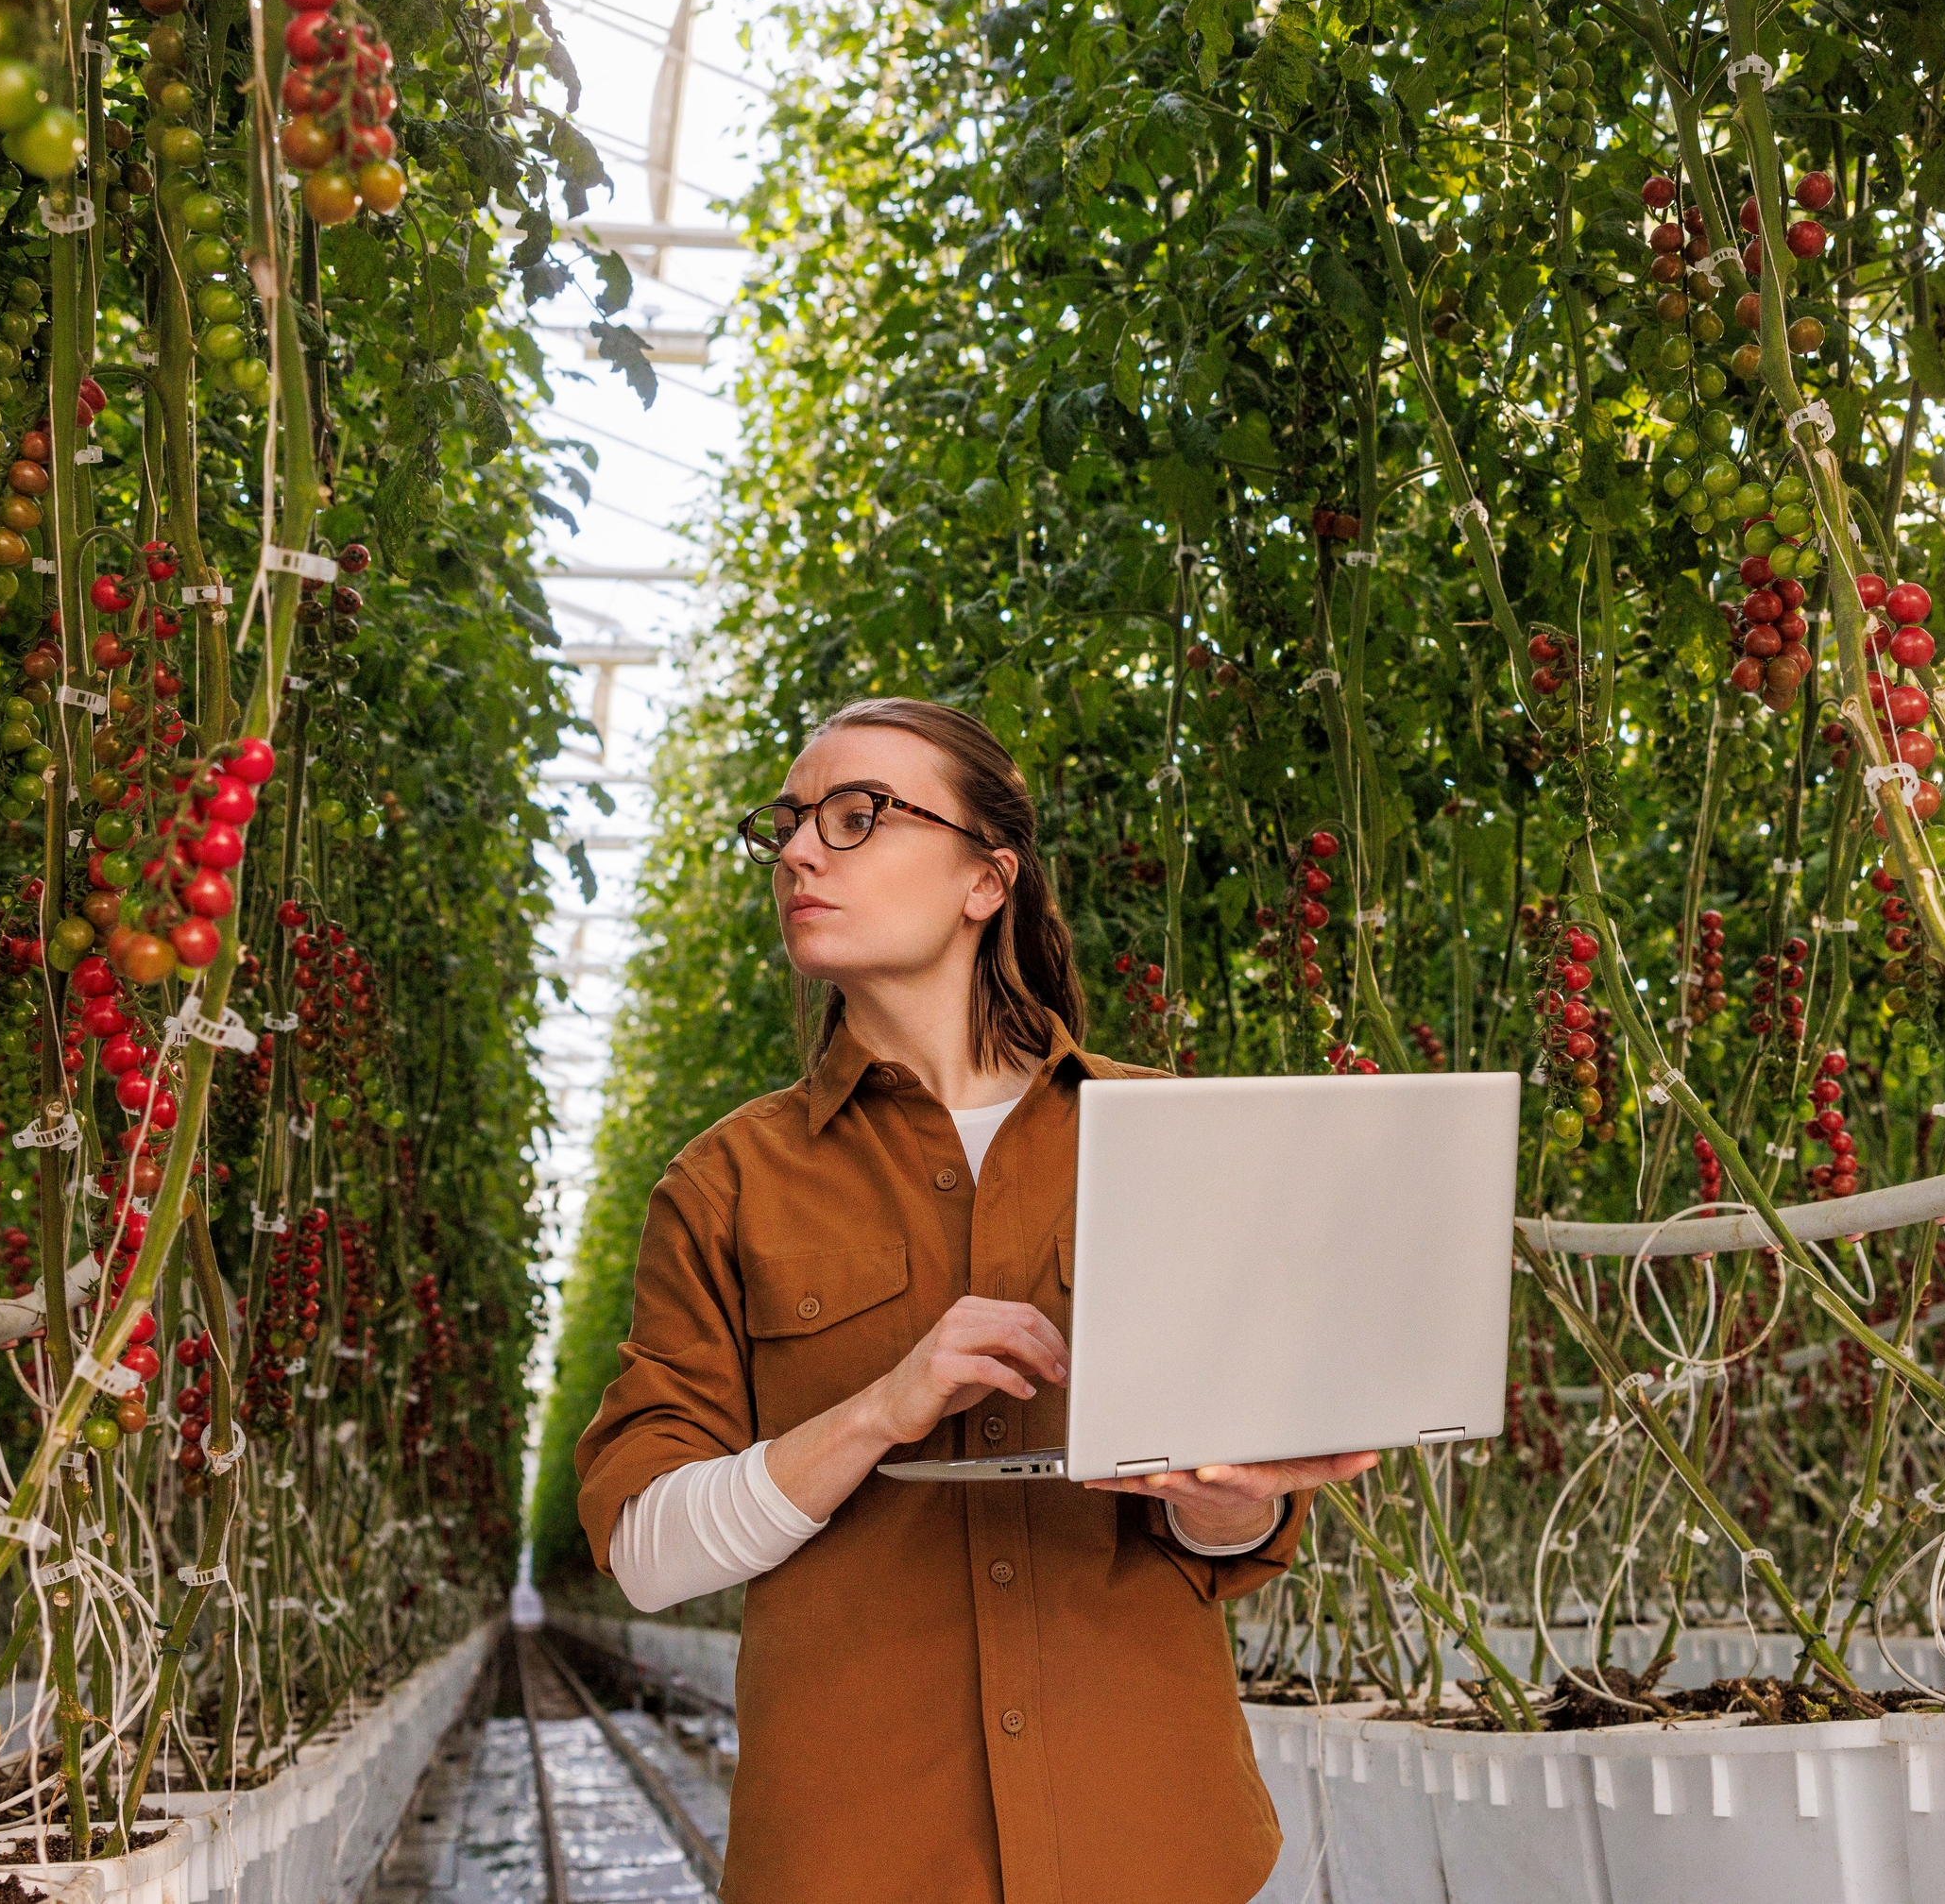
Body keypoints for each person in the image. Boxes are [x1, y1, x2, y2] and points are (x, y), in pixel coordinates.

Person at [571, 696, 1378, 1903]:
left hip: (1153, 1840)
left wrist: (1233, 1501)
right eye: (787, 826)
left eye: (858, 818)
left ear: (985, 880)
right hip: (858, 1853)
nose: (798, 852)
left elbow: (1222, 1534)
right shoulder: (725, 1184)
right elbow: (643, 1551)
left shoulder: (1165, 1137)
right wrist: (881, 1408)